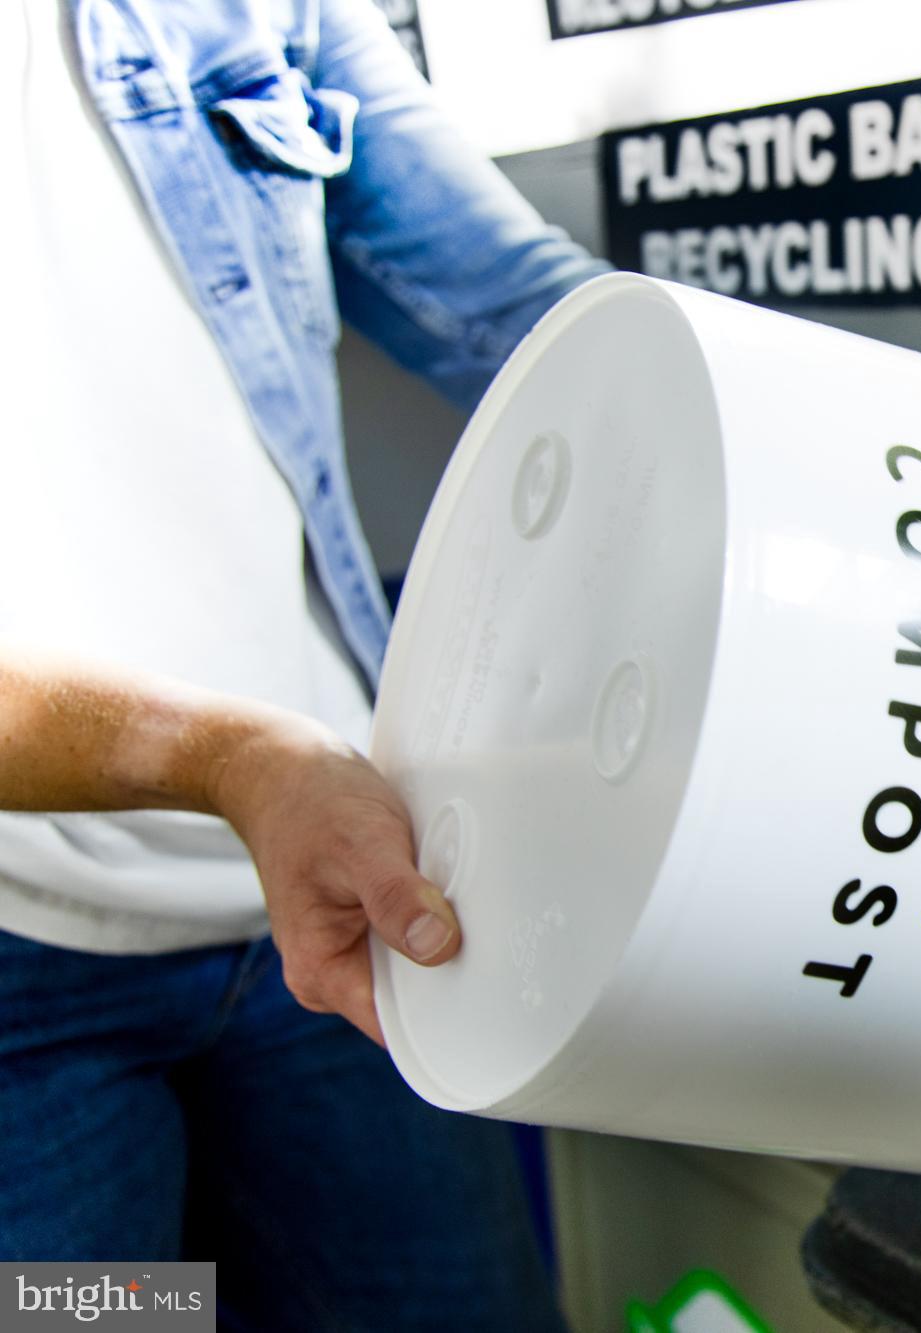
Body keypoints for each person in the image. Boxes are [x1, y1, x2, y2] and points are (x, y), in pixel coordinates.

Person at [0, 1, 607, 1325]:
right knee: (111, 1307)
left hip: (337, 910)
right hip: (27, 1009)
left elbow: (533, 316)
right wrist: (238, 759)